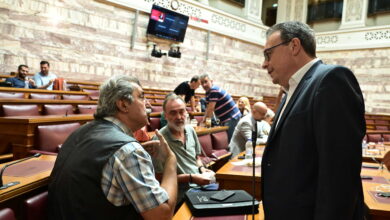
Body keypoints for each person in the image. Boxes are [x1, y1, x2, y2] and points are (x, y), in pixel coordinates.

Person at [261, 21, 365, 219]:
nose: (264, 64)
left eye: (268, 54)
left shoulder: (330, 80)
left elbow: (339, 176)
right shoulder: (291, 90)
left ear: (294, 46)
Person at [48, 75, 178, 220]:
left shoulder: (80, 132)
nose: (148, 104)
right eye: (141, 97)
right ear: (123, 105)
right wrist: (170, 160)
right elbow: (162, 216)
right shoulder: (128, 151)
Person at [152, 93, 215, 204]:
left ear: (186, 112)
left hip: (200, 187)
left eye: (181, 111)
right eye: (173, 113)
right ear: (165, 116)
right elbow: (159, 178)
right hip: (180, 196)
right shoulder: (159, 140)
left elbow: (196, 158)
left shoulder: (190, 130)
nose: (179, 117)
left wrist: (201, 169)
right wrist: (191, 178)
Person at [199, 74, 241, 142]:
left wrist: (204, 123)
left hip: (232, 117)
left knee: (228, 140)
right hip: (226, 118)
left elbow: (211, 109)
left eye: (205, 81)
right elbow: (208, 109)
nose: (204, 85)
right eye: (202, 83)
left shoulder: (214, 90)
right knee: (226, 139)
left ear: (211, 81)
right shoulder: (208, 93)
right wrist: (203, 120)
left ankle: (231, 152)